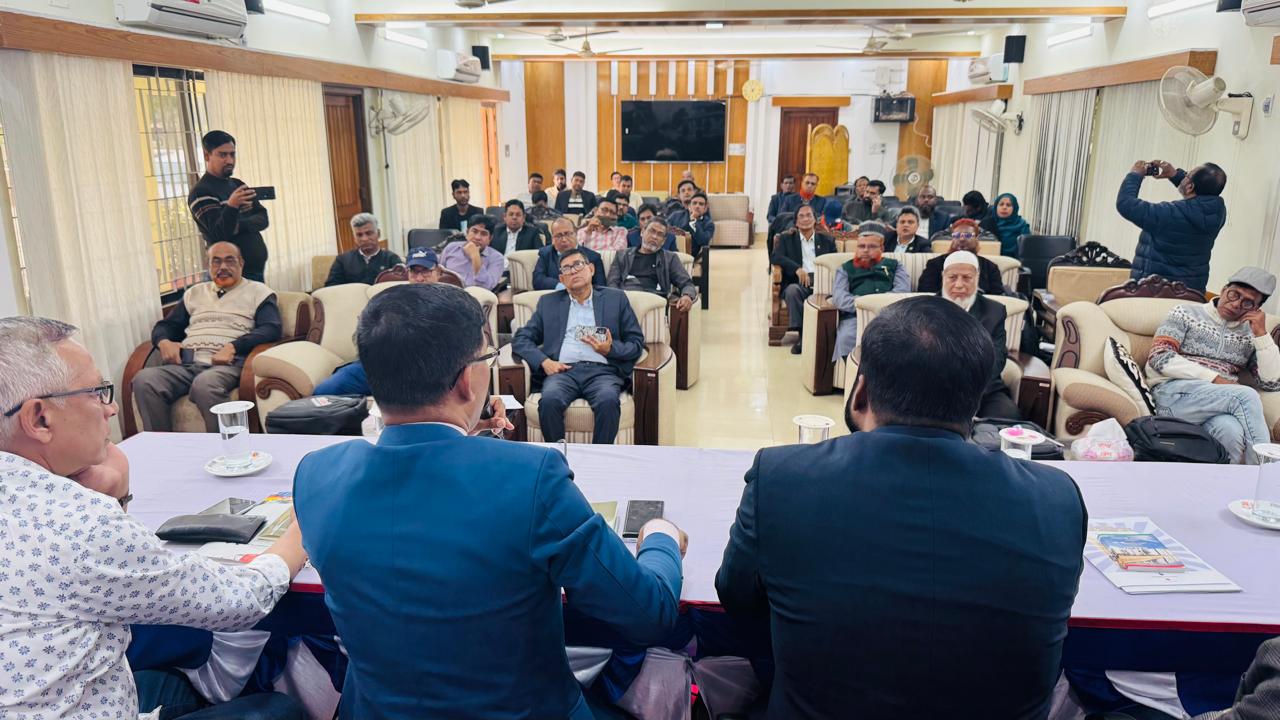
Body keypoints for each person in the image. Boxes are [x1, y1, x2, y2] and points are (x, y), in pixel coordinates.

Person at [293, 284, 684, 718]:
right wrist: (660, 537)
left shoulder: (316, 474)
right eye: (488, 358)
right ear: (467, 378)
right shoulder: (531, 477)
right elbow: (647, 613)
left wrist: (460, 426)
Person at [716, 296, 1087, 719]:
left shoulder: (782, 479)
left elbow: (737, 600)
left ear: (860, 391)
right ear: (975, 403)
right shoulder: (1057, 500)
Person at [0, 316, 308, 719]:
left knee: (167, 677)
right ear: (39, 418)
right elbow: (239, 601)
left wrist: (112, 495)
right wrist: (301, 529)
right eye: (96, 393)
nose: (112, 408)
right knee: (278, 710)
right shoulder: (78, 525)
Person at [133, 242, 280, 432]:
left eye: (230, 261)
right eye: (216, 261)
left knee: (205, 384)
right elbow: (167, 326)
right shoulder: (194, 293)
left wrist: (233, 346)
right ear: (208, 265)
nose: (223, 267)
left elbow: (271, 328)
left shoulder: (258, 292)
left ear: (241, 263)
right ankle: (164, 445)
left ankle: (228, 446)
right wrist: (164, 342)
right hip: (186, 365)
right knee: (145, 379)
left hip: (228, 365)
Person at [1146, 267, 1280, 464]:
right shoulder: (1185, 312)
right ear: (1224, 289)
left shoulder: (1251, 334)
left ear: (1256, 309)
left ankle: (1231, 482)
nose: (1236, 304)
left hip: (1217, 403)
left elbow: (1271, 383)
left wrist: (1262, 335)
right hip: (1173, 396)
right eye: (1234, 294)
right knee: (1246, 395)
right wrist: (1215, 379)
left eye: (1247, 302)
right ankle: (1269, 473)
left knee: (1230, 431)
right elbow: (1159, 356)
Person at [513, 248, 646, 444]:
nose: (574, 271)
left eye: (578, 265)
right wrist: (544, 361)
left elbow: (636, 343)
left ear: (591, 269)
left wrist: (610, 349)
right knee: (549, 401)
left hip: (603, 372)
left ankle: (598, 456)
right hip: (563, 372)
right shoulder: (548, 303)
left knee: (608, 401)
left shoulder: (615, 299)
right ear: (562, 278)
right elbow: (521, 338)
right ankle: (559, 456)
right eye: (567, 269)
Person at [313, 247, 442, 397]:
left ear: (438, 272)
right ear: (408, 273)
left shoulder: (452, 303)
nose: (419, 279)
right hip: (380, 366)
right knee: (324, 392)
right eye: (414, 272)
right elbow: (362, 339)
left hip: (426, 371)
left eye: (426, 271)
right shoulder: (389, 298)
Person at [1118, 159, 1228, 292]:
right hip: (1191, 292)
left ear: (1190, 186)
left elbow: (1126, 204)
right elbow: (1197, 194)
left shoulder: (1170, 213)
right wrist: (1174, 175)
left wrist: (1135, 175)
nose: (1184, 176)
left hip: (1155, 291)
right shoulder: (1218, 212)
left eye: (1187, 175)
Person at [938, 251, 1021, 419]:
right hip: (936, 388)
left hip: (983, 388)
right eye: (952, 277)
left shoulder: (994, 311)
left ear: (977, 278)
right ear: (943, 277)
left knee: (1007, 415)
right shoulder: (926, 308)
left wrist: (968, 393)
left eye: (967, 278)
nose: (959, 285)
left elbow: (996, 358)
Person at [188, 130, 270, 282]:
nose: (229, 160)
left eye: (232, 154)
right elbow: (219, 234)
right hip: (228, 274)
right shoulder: (201, 192)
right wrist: (232, 206)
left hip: (255, 272)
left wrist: (239, 225)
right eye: (222, 155)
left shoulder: (237, 184)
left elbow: (263, 218)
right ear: (207, 156)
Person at [829, 222, 911, 361]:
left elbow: (902, 292)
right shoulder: (844, 269)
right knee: (846, 337)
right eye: (861, 246)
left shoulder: (895, 266)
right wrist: (866, 307)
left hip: (890, 317)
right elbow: (840, 299)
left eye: (872, 246)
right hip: (855, 318)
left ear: (882, 248)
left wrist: (878, 307)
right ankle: (849, 374)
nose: (866, 250)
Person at [771, 204, 837, 355]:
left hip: (822, 283)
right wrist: (796, 268)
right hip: (798, 282)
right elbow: (775, 256)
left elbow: (835, 262)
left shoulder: (827, 240)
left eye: (809, 215)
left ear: (815, 220)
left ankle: (826, 337)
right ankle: (803, 335)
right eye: (801, 216)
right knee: (792, 291)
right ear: (796, 222)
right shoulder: (786, 239)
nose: (805, 219)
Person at [607, 217, 697, 312]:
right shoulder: (622, 255)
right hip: (627, 299)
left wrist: (687, 296)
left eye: (660, 234)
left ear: (663, 241)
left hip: (655, 301)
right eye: (651, 231)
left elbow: (686, 283)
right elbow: (612, 282)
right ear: (642, 232)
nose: (654, 237)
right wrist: (617, 300)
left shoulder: (670, 259)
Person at [917, 218, 1007, 296]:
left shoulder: (990, 267)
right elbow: (925, 293)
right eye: (957, 235)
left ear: (977, 238)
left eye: (968, 235)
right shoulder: (935, 264)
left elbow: (997, 296)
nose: (962, 239)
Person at [324, 213, 403, 286]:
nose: (364, 239)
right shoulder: (342, 260)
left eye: (369, 233)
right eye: (359, 235)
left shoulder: (391, 259)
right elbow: (330, 287)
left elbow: (402, 286)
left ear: (378, 234)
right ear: (354, 238)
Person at [534, 217, 607, 291]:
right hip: (555, 295)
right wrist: (563, 287)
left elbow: (601, 287)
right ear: (553, 238)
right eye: (559, 236)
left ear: (576, 233)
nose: (564, 239)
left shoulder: (593, 257)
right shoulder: (546, 254)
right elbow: (538, 280)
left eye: (567, 234)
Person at [439, 214, 504, 290]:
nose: (477, 237)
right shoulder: (451, 248)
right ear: (467, 232)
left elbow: (486, 287)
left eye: (484, 234)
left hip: (476, 296)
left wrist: (475, 257)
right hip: (447, 293)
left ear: (490, 238)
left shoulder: (497, 258)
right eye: (474, 231)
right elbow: (438, 273)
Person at [982, 192, 1032, 257]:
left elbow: (1027, 249)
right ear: (996, 207)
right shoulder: (987, 223)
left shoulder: (1022, 226)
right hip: (989, 260)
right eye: (1001, 204)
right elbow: (973, 238)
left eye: (1008, 205)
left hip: (1015, 261)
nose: (1004, 207)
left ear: (1014, 208)